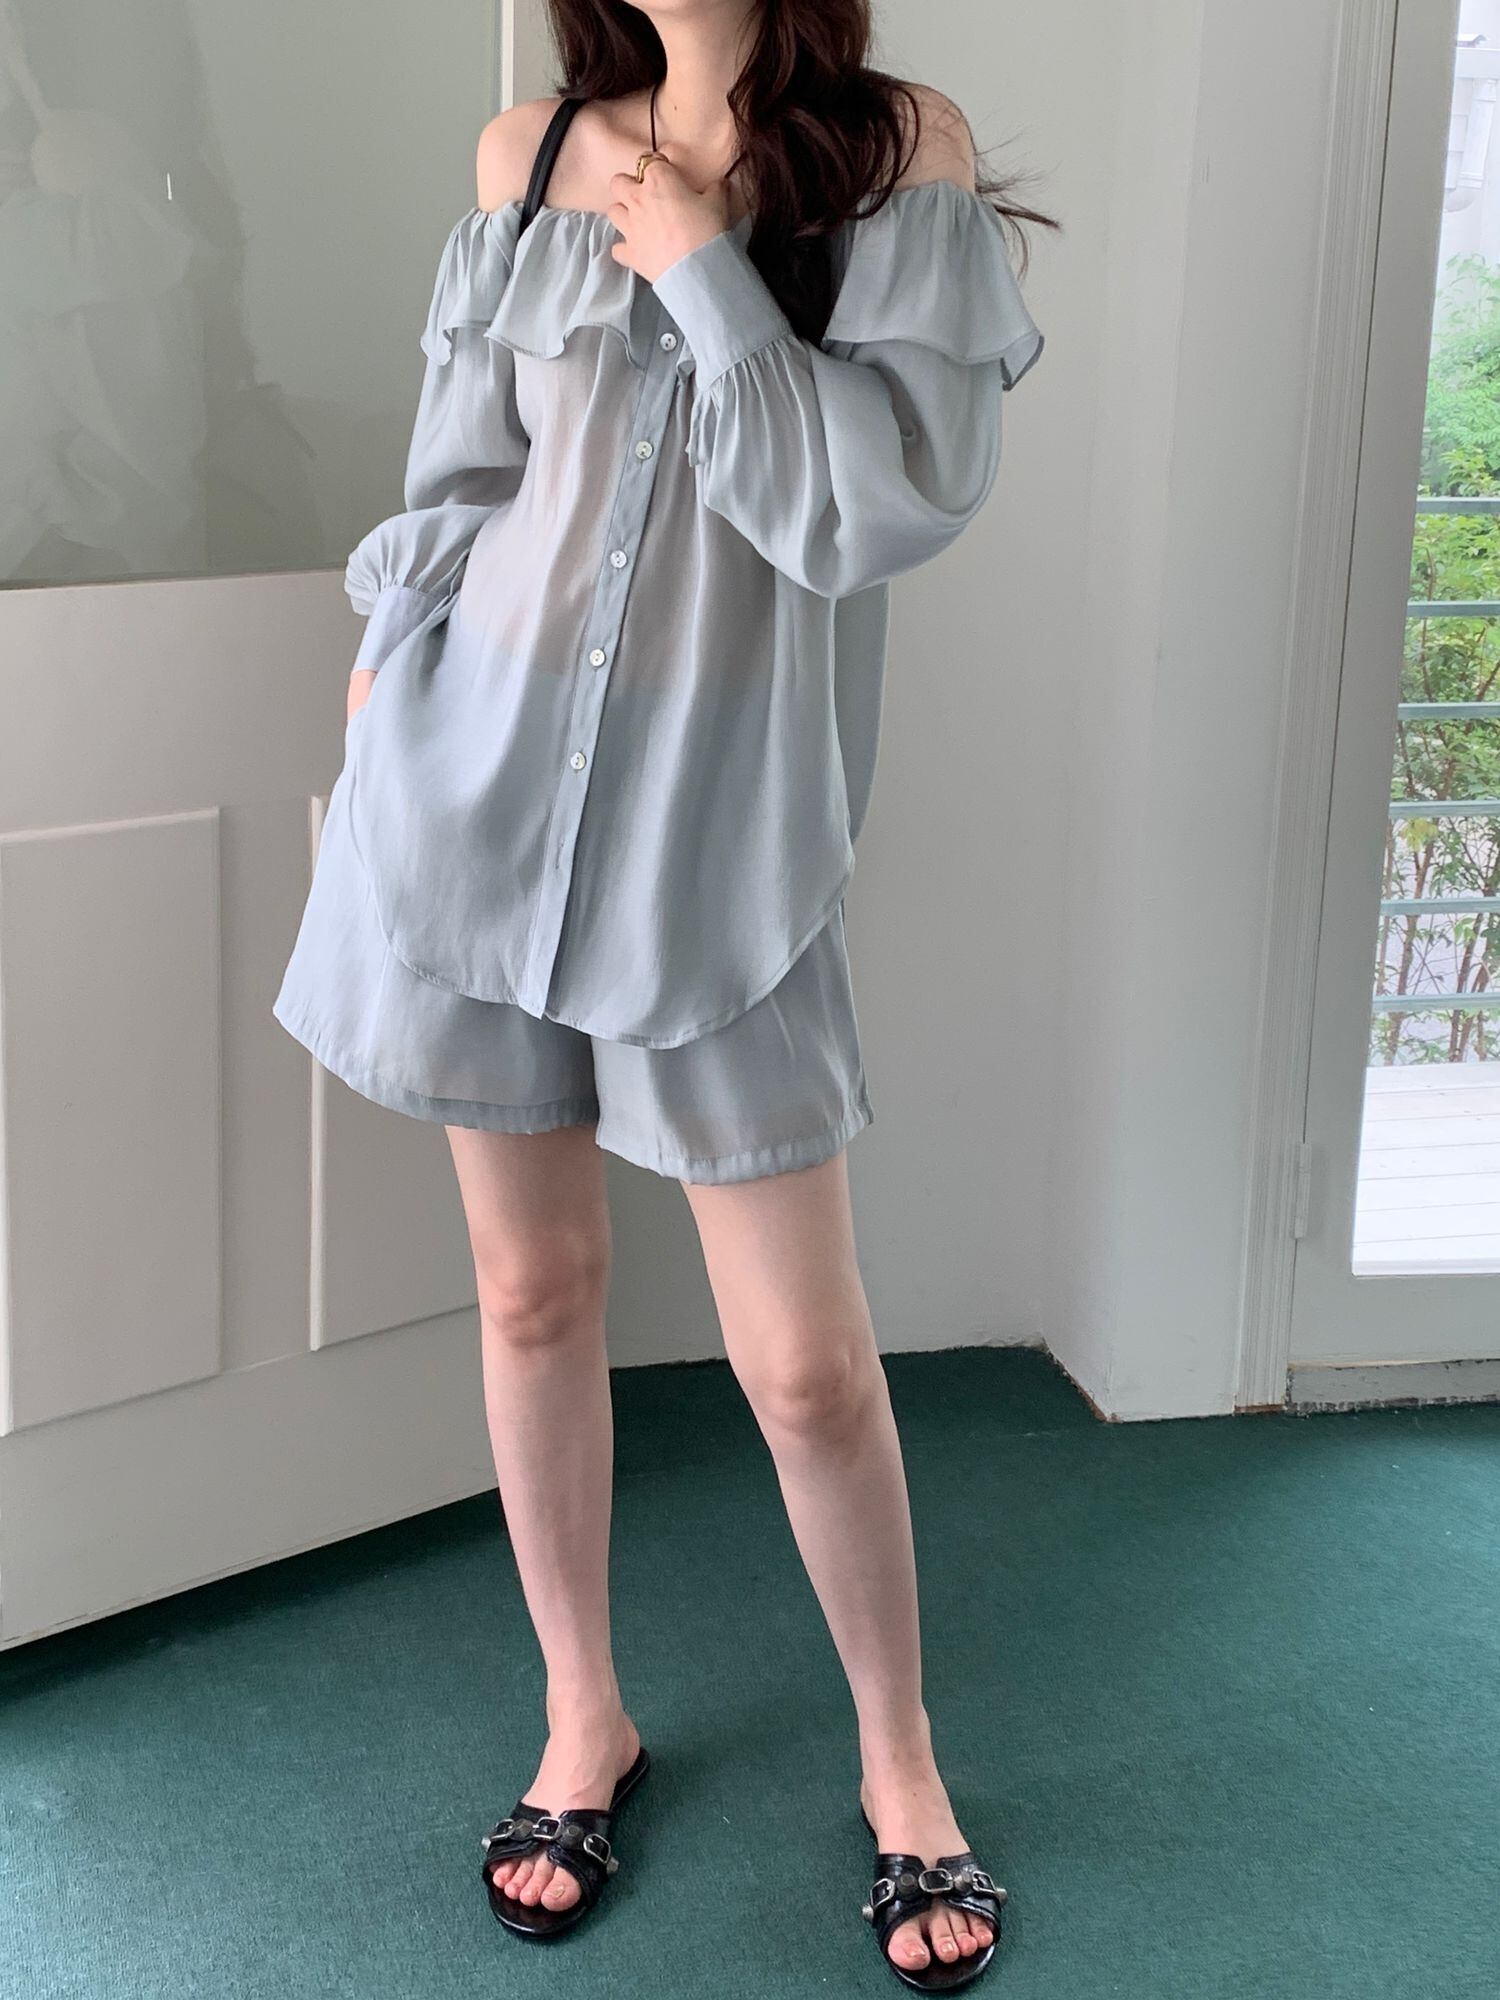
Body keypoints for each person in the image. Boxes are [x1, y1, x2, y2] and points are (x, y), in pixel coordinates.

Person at [273, 1, 1050, 1986]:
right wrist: (384, 667)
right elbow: (467, 473)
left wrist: (702, 262)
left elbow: (870, 511)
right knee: (534, 1293)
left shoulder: (899, 154)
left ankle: (901, 1761)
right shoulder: (525, 155)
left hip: (722, 840)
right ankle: (581, 1717)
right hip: (470, 794)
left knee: (806, 1365)